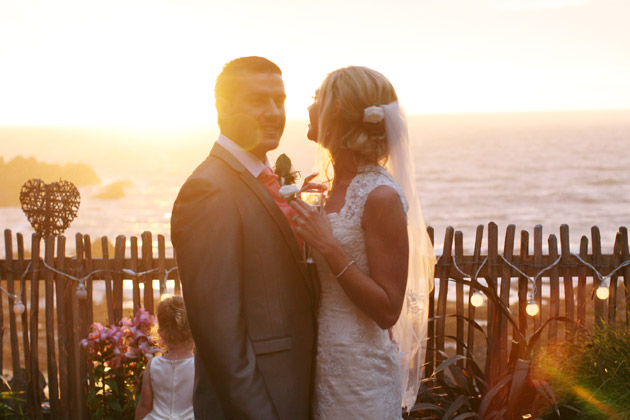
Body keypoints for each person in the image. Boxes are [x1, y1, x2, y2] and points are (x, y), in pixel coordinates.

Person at [170, 56, 317, 420]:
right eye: (258, 100)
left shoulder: (265, 177)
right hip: (259, 403)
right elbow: (221, 339)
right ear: (223, 108)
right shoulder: (208, 190)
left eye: (279, 101)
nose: (273, 112)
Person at [289, 66, 436, 419]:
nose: (309, 108)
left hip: (361, 379)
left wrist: (328, 245)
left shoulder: (380, 195)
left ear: (337, 110)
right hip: (324, 365)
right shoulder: (329, 189)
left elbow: (388, 309)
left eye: (316, 99)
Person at [135, 295, 195, 420]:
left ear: (161, 332)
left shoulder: (153, 365)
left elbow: (144, 406)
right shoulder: (199, 366)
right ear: (192, 331)